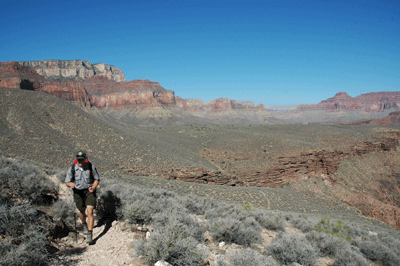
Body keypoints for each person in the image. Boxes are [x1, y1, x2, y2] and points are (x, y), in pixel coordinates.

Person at [65, 150, 100, 245]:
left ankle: (90, 233)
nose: (80, 162)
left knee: (90, 211)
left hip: (89, 191)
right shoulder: (72, 169)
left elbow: (97, 179)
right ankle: (84, 223)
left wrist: (93, 187)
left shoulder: (91, 167)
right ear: (76, 160)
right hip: (78, 192)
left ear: (85, 159)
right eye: (78, 160)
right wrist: (70, 184)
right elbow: (67, 181)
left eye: (82, 160)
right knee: (81, 211)